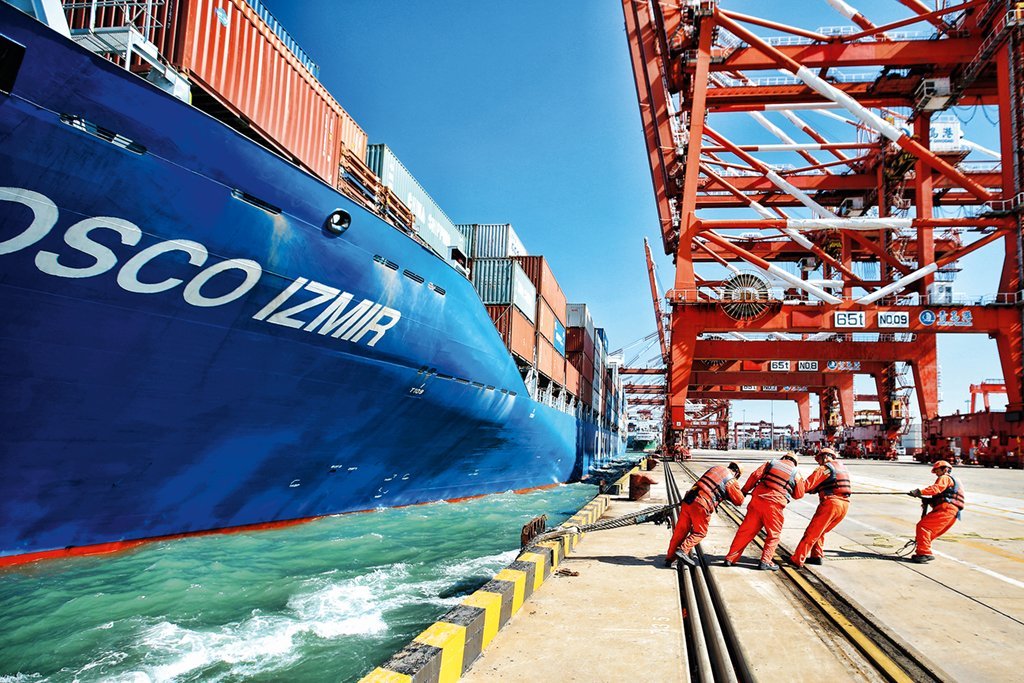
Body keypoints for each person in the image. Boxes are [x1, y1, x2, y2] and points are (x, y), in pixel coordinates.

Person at [724, 452, 805, 571]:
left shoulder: (771, 463)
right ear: (795, 462)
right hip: (774, 506)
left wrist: (744, 491)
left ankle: (730, 558)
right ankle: (765, 561)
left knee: (745, 531)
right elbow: (799, 494)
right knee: (773, 535)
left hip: (757, 501)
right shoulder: (796, 473)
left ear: (783, 457)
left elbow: (754, 476)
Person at [664, 462, 745, 567]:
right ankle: (683, 550)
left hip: (688, 499)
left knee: (680, 531)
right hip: (702, 504)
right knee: (700, 532)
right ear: (737, 473)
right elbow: (739, 501)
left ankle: (669, 559)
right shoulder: (731, 481)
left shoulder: (716, 467)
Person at [790, 448, 850, 568]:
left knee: (812, 532)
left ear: (825, 457)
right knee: (820, 531)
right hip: (844, 505)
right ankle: (816, 556)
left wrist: (794, 483)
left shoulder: (825, 469)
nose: (819, 463)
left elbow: (807, 485)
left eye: (819, 460)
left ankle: (797, 559)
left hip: (831, 504)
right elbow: (827, 484)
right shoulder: (841, 468)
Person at [907, 460, 965, 563]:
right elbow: (942, 496)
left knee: (923, 527)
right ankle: (923, 552)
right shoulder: (952, 481)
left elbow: (936, 489)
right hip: (952, 512)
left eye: (937, 471)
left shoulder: (945, 478)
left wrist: (919, 492)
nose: (936, 474)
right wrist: (929, 501)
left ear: (945, 470)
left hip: (946, 509)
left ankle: (924, 553)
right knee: (929, 533)